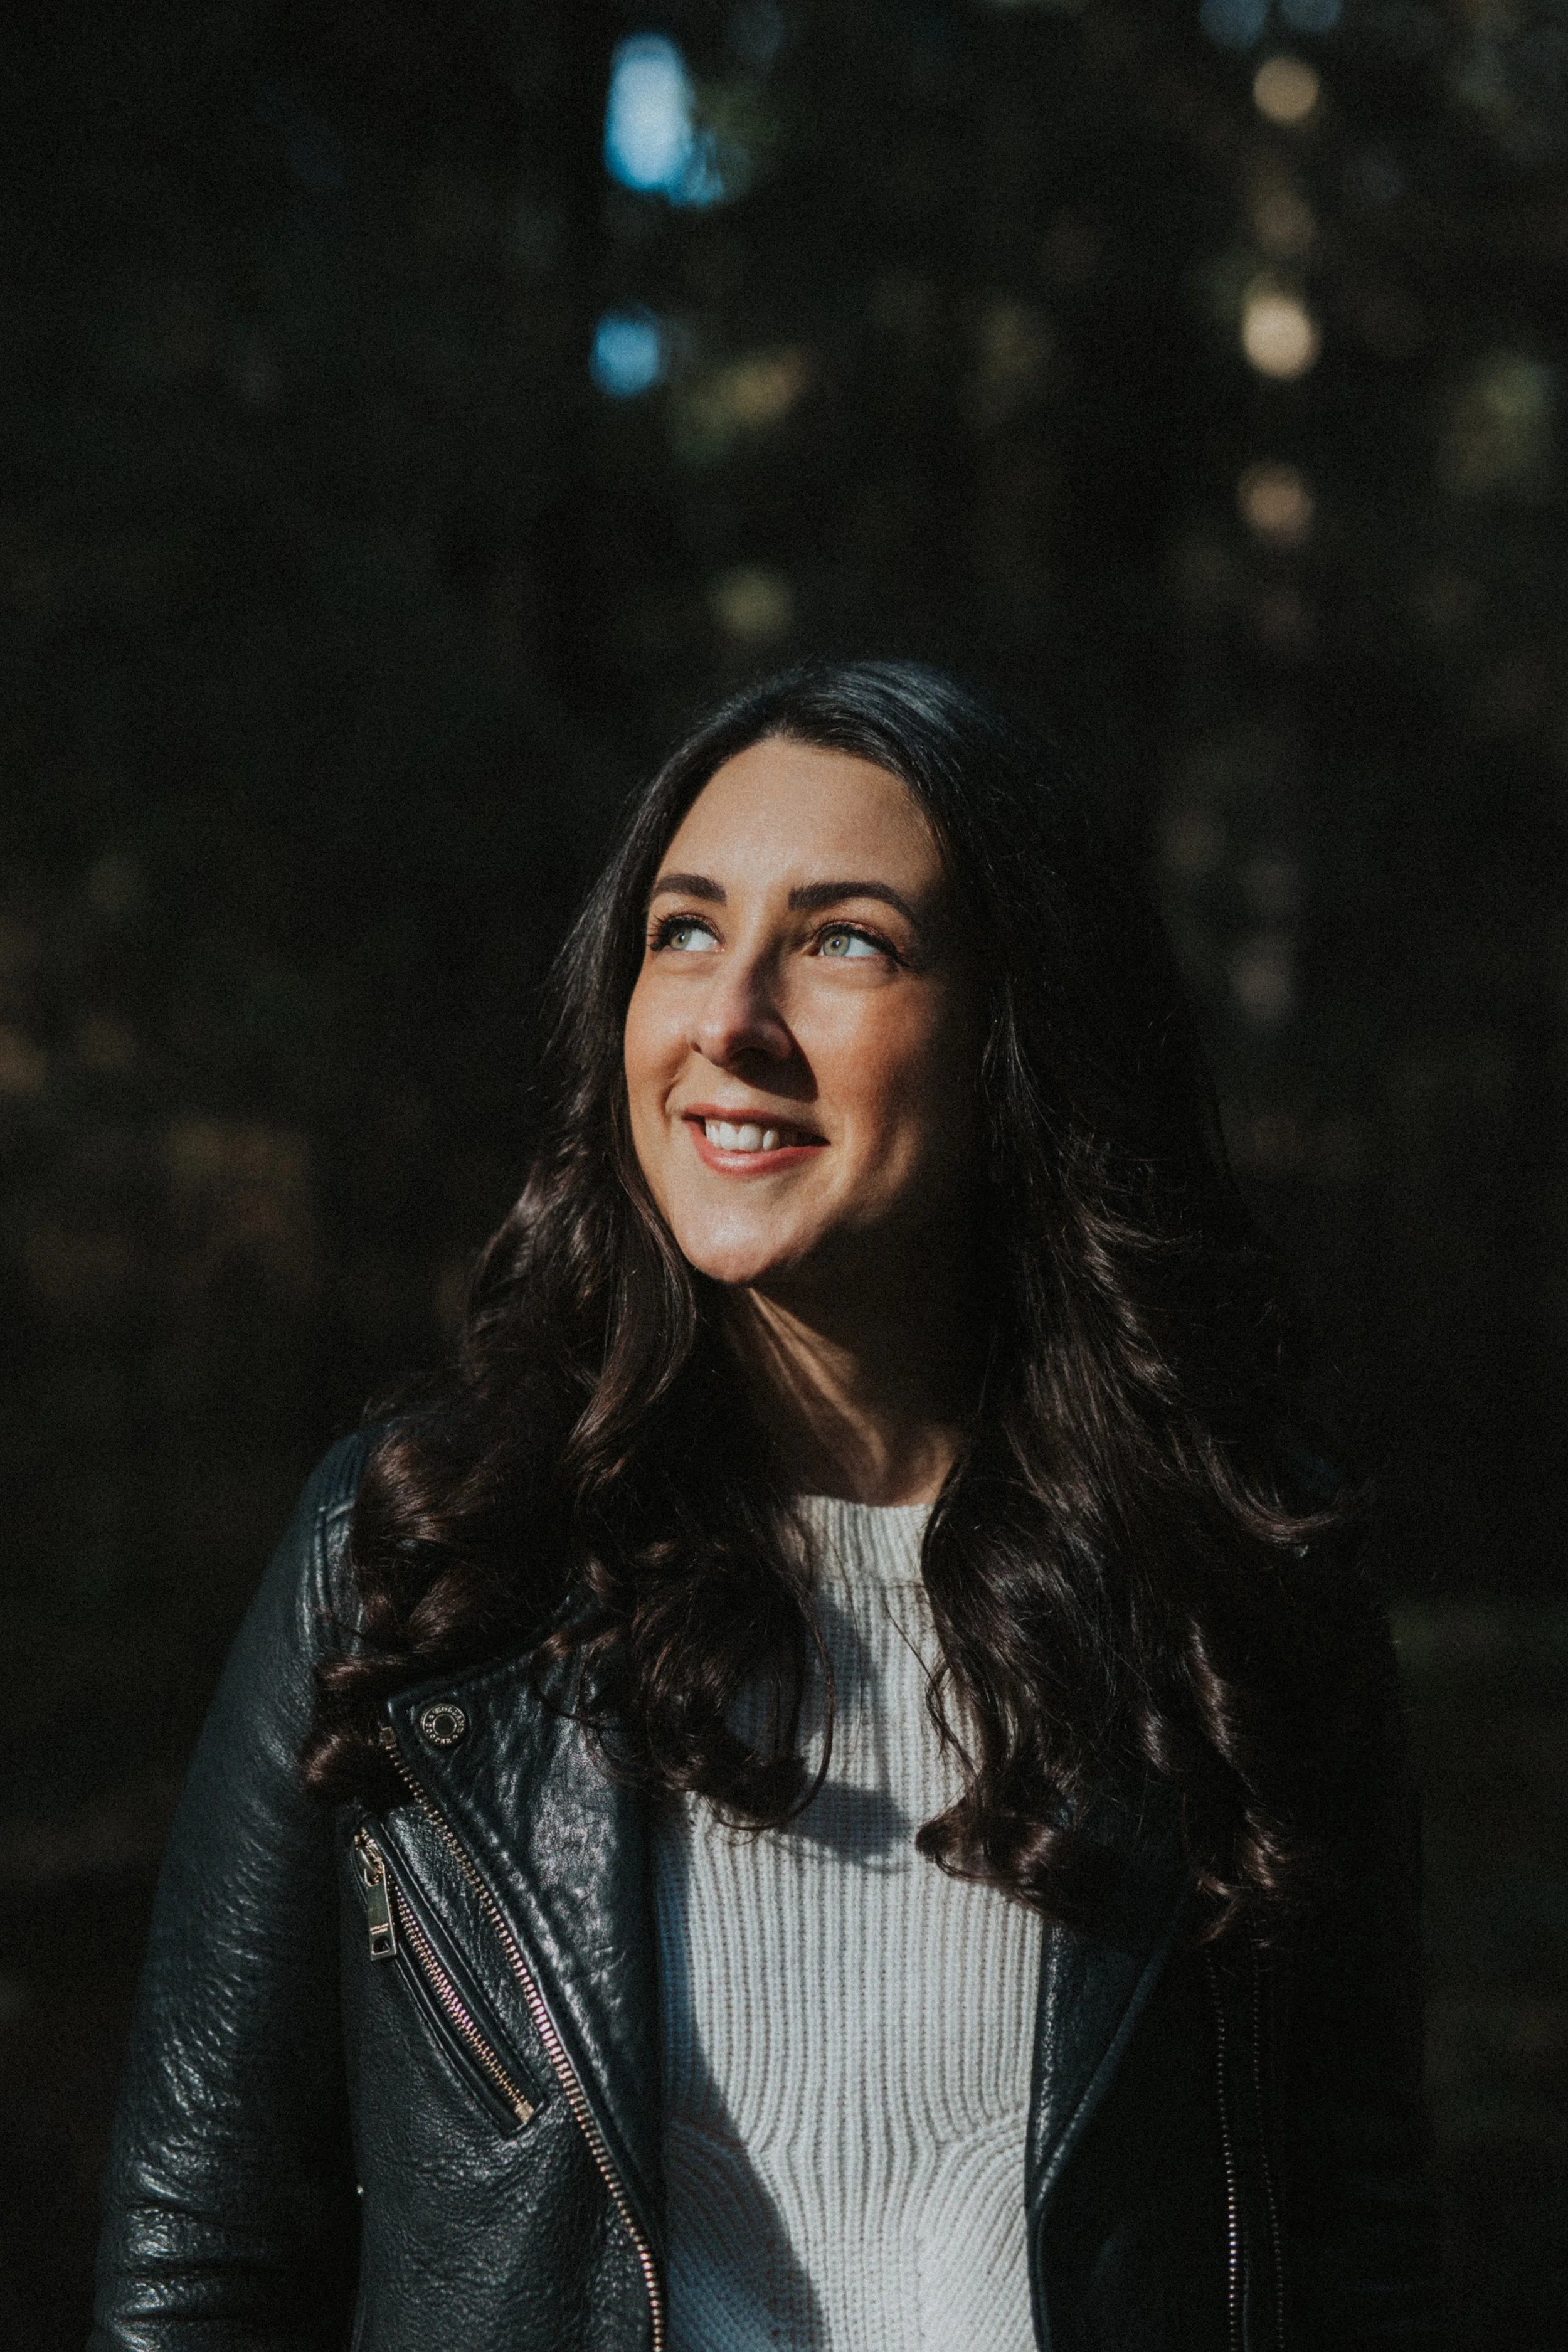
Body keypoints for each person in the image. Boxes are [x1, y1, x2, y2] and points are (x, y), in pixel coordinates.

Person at [90, 661, 1444, 2351]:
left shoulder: (1232, 1578)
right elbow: (200, 2257)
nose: (729, 1018)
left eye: (844, 941)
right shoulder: (425, 1561)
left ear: (1016, 1031)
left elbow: (1352, 2246)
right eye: (682, 931)